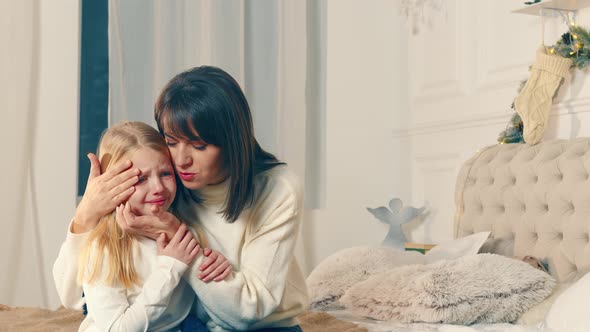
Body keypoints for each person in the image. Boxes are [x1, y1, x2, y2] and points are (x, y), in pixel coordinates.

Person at [54, 66, 309, 331]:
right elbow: (74, 298)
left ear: (233, 140)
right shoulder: (164, 184)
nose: (181, 160)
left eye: (199, 146)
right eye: (172, 142)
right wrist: (86, 215)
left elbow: (249, 311)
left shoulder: (277, 188)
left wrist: (182, 242)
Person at [55, 121, 231, 331]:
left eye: (166, 173)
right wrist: (171, 267)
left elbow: (195, 308)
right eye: (140, 179)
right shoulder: (105, 247)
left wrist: (209, 267)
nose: (158, 188)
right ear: (113, 183)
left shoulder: (184, 230)